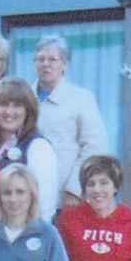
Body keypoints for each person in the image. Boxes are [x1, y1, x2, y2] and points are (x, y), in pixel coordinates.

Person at [32, 35, 110, 204]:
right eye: (40, 59)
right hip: (26, 195)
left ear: (65, 64)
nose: (46, 64)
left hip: (64, 196)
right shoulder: (23, 98)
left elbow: (95, 146)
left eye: (52, 59)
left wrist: (75, 189)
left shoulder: (81, 98)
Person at [0, 77, 61, 231]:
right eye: (3, 104)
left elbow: (44, 207)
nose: (9, 112)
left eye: (17, 105)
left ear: (28, 111)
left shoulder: (38, 147)